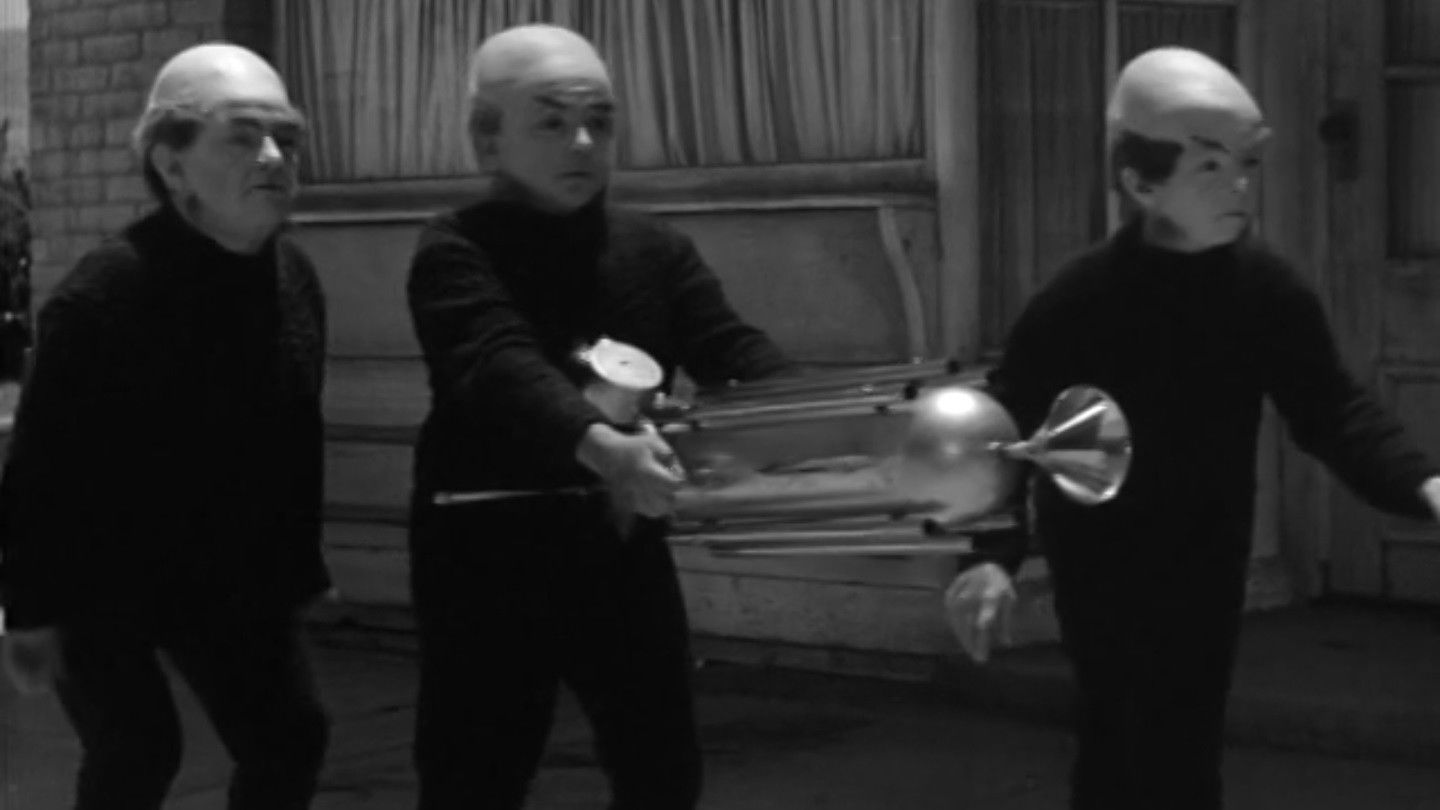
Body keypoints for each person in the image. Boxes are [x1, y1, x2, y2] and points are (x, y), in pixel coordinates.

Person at [943, 46, 1440, 810]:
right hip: (1097, 552)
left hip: (1206, 548)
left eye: (1246, 164)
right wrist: (991, 559)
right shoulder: (1079, 300)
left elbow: (1331, 409)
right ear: (1141, 183)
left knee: (1185, 740)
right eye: (1210, 167)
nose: (1239, 186)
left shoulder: (1265, 292)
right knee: (1112, 737)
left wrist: (1423, 482)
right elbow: (1008, 428)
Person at [405, 23, 791, 810]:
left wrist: (828, 417)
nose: (583, 142)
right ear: (487, 138)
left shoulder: (653, 248)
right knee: (474, 774)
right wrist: (602, 446)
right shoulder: (454, 247)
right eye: (552, 121)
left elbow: (731, 348)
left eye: (600, 121)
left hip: (617, 544)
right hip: (485, 553)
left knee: (662, 770)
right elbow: (499, 364)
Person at [0, 43, 330, 809]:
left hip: (222, 571)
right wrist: (31, 611)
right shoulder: (107, 295)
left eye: (286, 137)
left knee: (290, 735)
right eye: (242, 137)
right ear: (172, 164)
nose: (273, 157)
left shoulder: (292, 278)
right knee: (138, 748)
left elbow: (291, 442)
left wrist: (298, 571)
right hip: (99, 570)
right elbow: (41, 468)